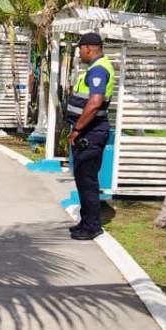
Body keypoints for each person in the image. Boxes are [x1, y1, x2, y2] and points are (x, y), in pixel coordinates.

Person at [66, 32, 116, 240]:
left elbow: (95, 102)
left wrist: (77, 129)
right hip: (90, 130)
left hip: (91, 132)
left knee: (87, 180)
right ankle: (86, 221)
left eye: (80, 49)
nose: (80, 53)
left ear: (88, 48)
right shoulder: (97, 67)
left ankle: (92, 226)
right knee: (83, 178)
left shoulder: (99, 70)